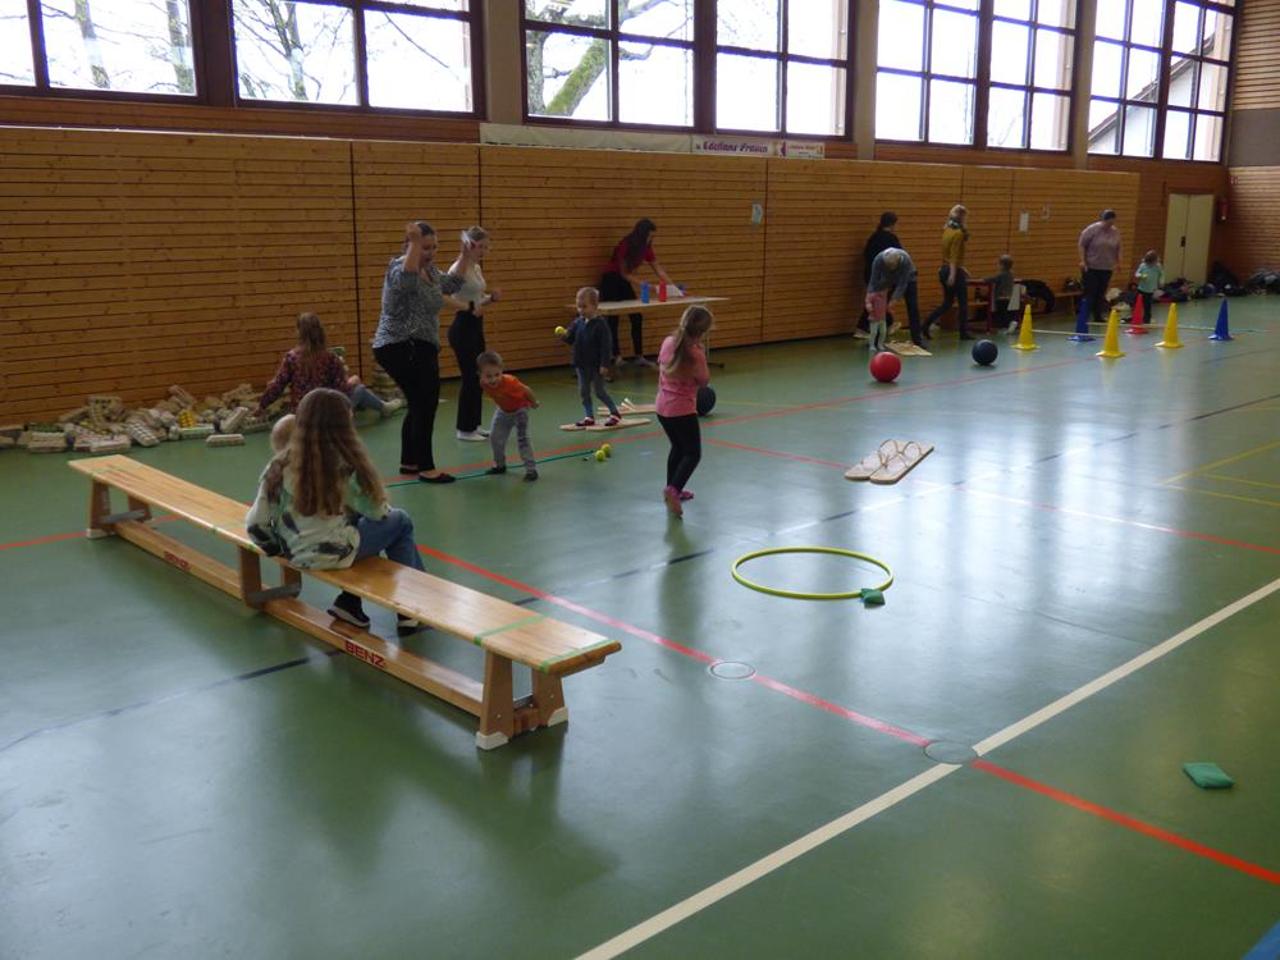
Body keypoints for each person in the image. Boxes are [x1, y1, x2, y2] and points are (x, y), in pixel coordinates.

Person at [245, 388, 424, 634]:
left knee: (351, 525)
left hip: (296, 552)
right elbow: (377, 513)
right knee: (400, 521)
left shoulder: (278, 464)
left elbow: (255, 524)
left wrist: (280, 549)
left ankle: (349, 603)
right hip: (333, 553)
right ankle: (409, 606)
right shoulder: (344, 463)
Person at [372, 221, 470, 484]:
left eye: (434, 247)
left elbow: (452, 284)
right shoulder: (398, 269)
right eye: (425, 247)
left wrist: (464, 256)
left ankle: (410, 462)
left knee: (419, 404)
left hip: (420, 345)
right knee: (424, 404)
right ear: (409, 246)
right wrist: (415, 244)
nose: (431, 252)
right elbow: (406, 281)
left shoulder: (431, 272)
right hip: (400, 345)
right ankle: (426, 468)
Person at [257, 313, 400, 417]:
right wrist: (352, 381)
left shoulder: (291, 358)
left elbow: (277, 385)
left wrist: (262, 405)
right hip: (327, 413)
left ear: (299, 332)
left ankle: (382, 407)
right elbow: (341, 390)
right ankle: (384, 408)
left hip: (302, 412)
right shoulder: (330, 358)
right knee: (360, 389)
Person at [656, 305, 713, 518]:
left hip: (662, 407)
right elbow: (704, 381)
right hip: (682, 410)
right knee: (692, 453)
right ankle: (674, 489)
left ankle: (672, 489)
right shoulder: (695, 353)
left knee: (678, 447)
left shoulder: (668, 342)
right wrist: (701, 353)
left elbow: (662, 366)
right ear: (702, 332)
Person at [447, 226, 501, 442]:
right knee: (469, 377)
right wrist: (464, 253)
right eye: (481, 247)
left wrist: (491, 299)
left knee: (479, 376)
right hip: (463, 327)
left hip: (476, 325)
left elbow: (477, 300)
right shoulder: (459, 268)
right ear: (470, 245)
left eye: (487, 247)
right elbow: (451, 295)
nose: (484, 251)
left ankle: (474, 425)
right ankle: (464, 429)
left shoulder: (476, 267)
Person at [599, 218, 674, 368]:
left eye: (653, 236)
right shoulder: (626, 244)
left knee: (636, 316)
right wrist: (647, 286)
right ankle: (617, 356)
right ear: (642, 234)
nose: (651, 239)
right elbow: (624, 273)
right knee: (613, 318)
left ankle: (639, 356)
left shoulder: (646, 248)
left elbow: (658, 269)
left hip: (623, 280)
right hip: (611, 279)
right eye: (649, 236)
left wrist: (673, 287)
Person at [562, 287, 622, 428]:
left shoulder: (601, 325)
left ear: (595, 306)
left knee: (599, 391)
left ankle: (614, 413)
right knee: (584, 391)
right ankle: (589, 416)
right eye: (579, 307)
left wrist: (604, 364)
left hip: (596, 364)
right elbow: (570, 339)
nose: (581, 310)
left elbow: (606, 346)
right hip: (581, 364)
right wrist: (564, 335)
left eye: (584, 307)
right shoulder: (578, 322)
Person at [478, 351, 539, 482]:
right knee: (495, 437)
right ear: (480, 375)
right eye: (488, 376)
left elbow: (526, 390)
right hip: (503, 410)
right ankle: (500, 465)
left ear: (502, 371)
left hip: (520, 411)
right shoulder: (483, 383)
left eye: (497, 375)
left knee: (523, 439)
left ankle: (531, 470)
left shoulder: (511, 382)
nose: (493, 379)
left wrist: (534, 402)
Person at [925, 204, 972, 340]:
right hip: (953, 270)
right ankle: (963, 332)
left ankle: (926, 324)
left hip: (945, 269)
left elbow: (948, 254)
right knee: (963, 303)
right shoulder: (958, 234)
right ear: (962, 218)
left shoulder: (946, 230)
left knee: (947, 303)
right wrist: (953, 273)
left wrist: (961, 268)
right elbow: (954, 255)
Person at [866, 247, 926, 348]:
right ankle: (875, 339)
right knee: (879, 305)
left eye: (893, 266)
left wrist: (893, 300)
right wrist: (869, 298)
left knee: (913, 307)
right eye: (888, 266)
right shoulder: (878, 260)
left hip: (908, 279)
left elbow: (902, 284)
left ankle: (917, 339)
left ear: (899, 260)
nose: (891, 268)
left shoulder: (905, 259)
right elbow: (873, 280)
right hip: (887, 279)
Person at [857, 212, 901, 336]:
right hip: (882, 276)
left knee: (878, 300)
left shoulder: (874, 237)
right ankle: (862, 327)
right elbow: (899, 257)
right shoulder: (891, 239)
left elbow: (866, 254)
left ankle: (887, 324)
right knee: (880, 300)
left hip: (870, 273)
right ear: (892, 224)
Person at [1078, 209, 1123, 326]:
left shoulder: (1115, 232)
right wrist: (1083, 261)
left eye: (1112, 222)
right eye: (1108, 222)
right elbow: (1082, 245)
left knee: (1101, 292)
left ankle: (1098, 315)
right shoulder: (1092, 229)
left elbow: (1118, 248)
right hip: (1091, 266)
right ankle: (1084, 315)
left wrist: (1118, 262)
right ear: (1103, 220)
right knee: (1090, 292)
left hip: (1107, 267)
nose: (1110, 225)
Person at [985, 254, 1018, 334]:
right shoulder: (1011, 274)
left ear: (1002, 265)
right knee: (1005, 312)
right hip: (1008, 296)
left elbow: (993, 279)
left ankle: (1005, 326)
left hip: (1000, 297)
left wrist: (984, 279)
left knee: (1001, 313)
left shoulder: (1001, 274)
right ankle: (1009, 324)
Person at [1134, 250, 1163, 325]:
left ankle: (1146, 320)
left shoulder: (1158, 266)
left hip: (1150, 290)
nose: (1151, 264)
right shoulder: (1143, 265)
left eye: (1153, 262)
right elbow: (1136, 274)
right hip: (1141, 289)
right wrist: (1141, 276)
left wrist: (1161, 281)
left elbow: (1162, 274)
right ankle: (1136, 317)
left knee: (1148, 306)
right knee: (1137, 304)